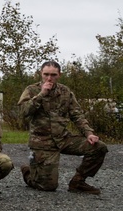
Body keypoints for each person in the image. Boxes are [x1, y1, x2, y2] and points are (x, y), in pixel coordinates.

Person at [18, 61, 108, 194]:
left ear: (59, 75)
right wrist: (41, 94)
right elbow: (23, 112)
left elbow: (77, 115)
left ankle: (78, 182)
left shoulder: (65, 92)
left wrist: (89, 133)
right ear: (40, 74)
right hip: (43, 142)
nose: (49, 78)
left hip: (63, 138)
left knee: (99, 147)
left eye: (53, 75)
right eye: (46, 74)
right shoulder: (31, 90)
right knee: (48, 186)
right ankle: (29, 174)